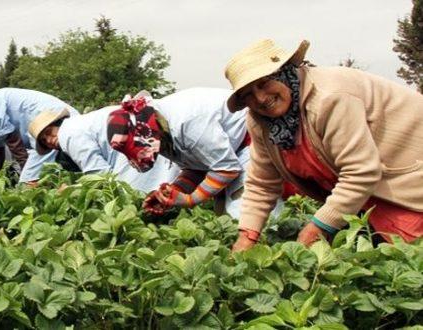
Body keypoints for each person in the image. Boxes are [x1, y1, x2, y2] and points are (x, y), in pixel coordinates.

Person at [224, 39, 423, 252]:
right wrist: (247, 235)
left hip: (406, 179)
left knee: (411, 256)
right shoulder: (260, 120)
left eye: (264, 83)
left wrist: (317, 227)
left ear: (284, 72)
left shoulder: (329, 97)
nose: (261, 98)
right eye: (248, 94)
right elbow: (262, 183)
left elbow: (360, 172)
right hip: (367, 194)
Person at [106, 88, 257, 218]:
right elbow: (196, 168)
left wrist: (189, 200)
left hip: (252, 136)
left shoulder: (188, 123)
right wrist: (173, 192)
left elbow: (226, 168)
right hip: (230, 154)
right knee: (223, 217)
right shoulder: (160, 129)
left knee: (244, 213)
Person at [29, 105, 180, 193]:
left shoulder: (68, 134)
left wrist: (71, 190)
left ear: (58, 124)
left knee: (134, 197)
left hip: (136, 145)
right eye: (44, 141)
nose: (49, 140)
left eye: (49, 132)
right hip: (148, 134)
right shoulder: (78, 124)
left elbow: (100, 175)